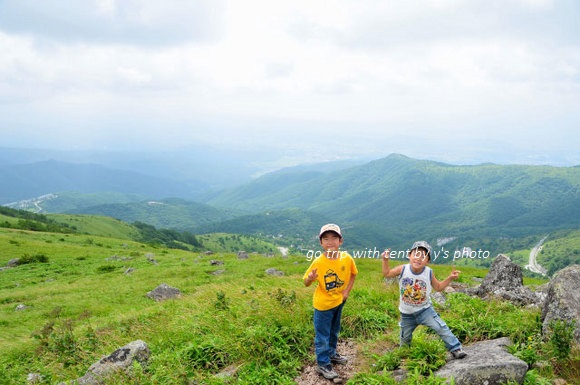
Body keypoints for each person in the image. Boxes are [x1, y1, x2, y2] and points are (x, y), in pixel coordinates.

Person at [381, 240, 467, 359]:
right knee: (405, 337)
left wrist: (450, 278)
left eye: (423, 256)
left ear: (428, 261)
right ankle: (404, 355)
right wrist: (385, 260)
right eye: (416, 254)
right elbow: (387, 273)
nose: (418, 258)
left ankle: (455, 348)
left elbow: (438, 287)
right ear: (409, 255)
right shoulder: (403, 269)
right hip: (406, 314)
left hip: (425, 310)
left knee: (439, 327)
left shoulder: (429, 272)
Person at [303, 224, 359, 380]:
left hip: (339, 302)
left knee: (334, 330)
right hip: (322, 306)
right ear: (321, 243)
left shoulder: (347, 258)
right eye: (326, 238)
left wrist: (346, 292)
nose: (330, 242)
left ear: (340, 241)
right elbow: (306, 282)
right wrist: (310, 279)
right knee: (322, 335)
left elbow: (354, 274)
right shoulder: (318, 262)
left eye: (334, 238)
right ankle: (323, 364)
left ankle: (332, 354)